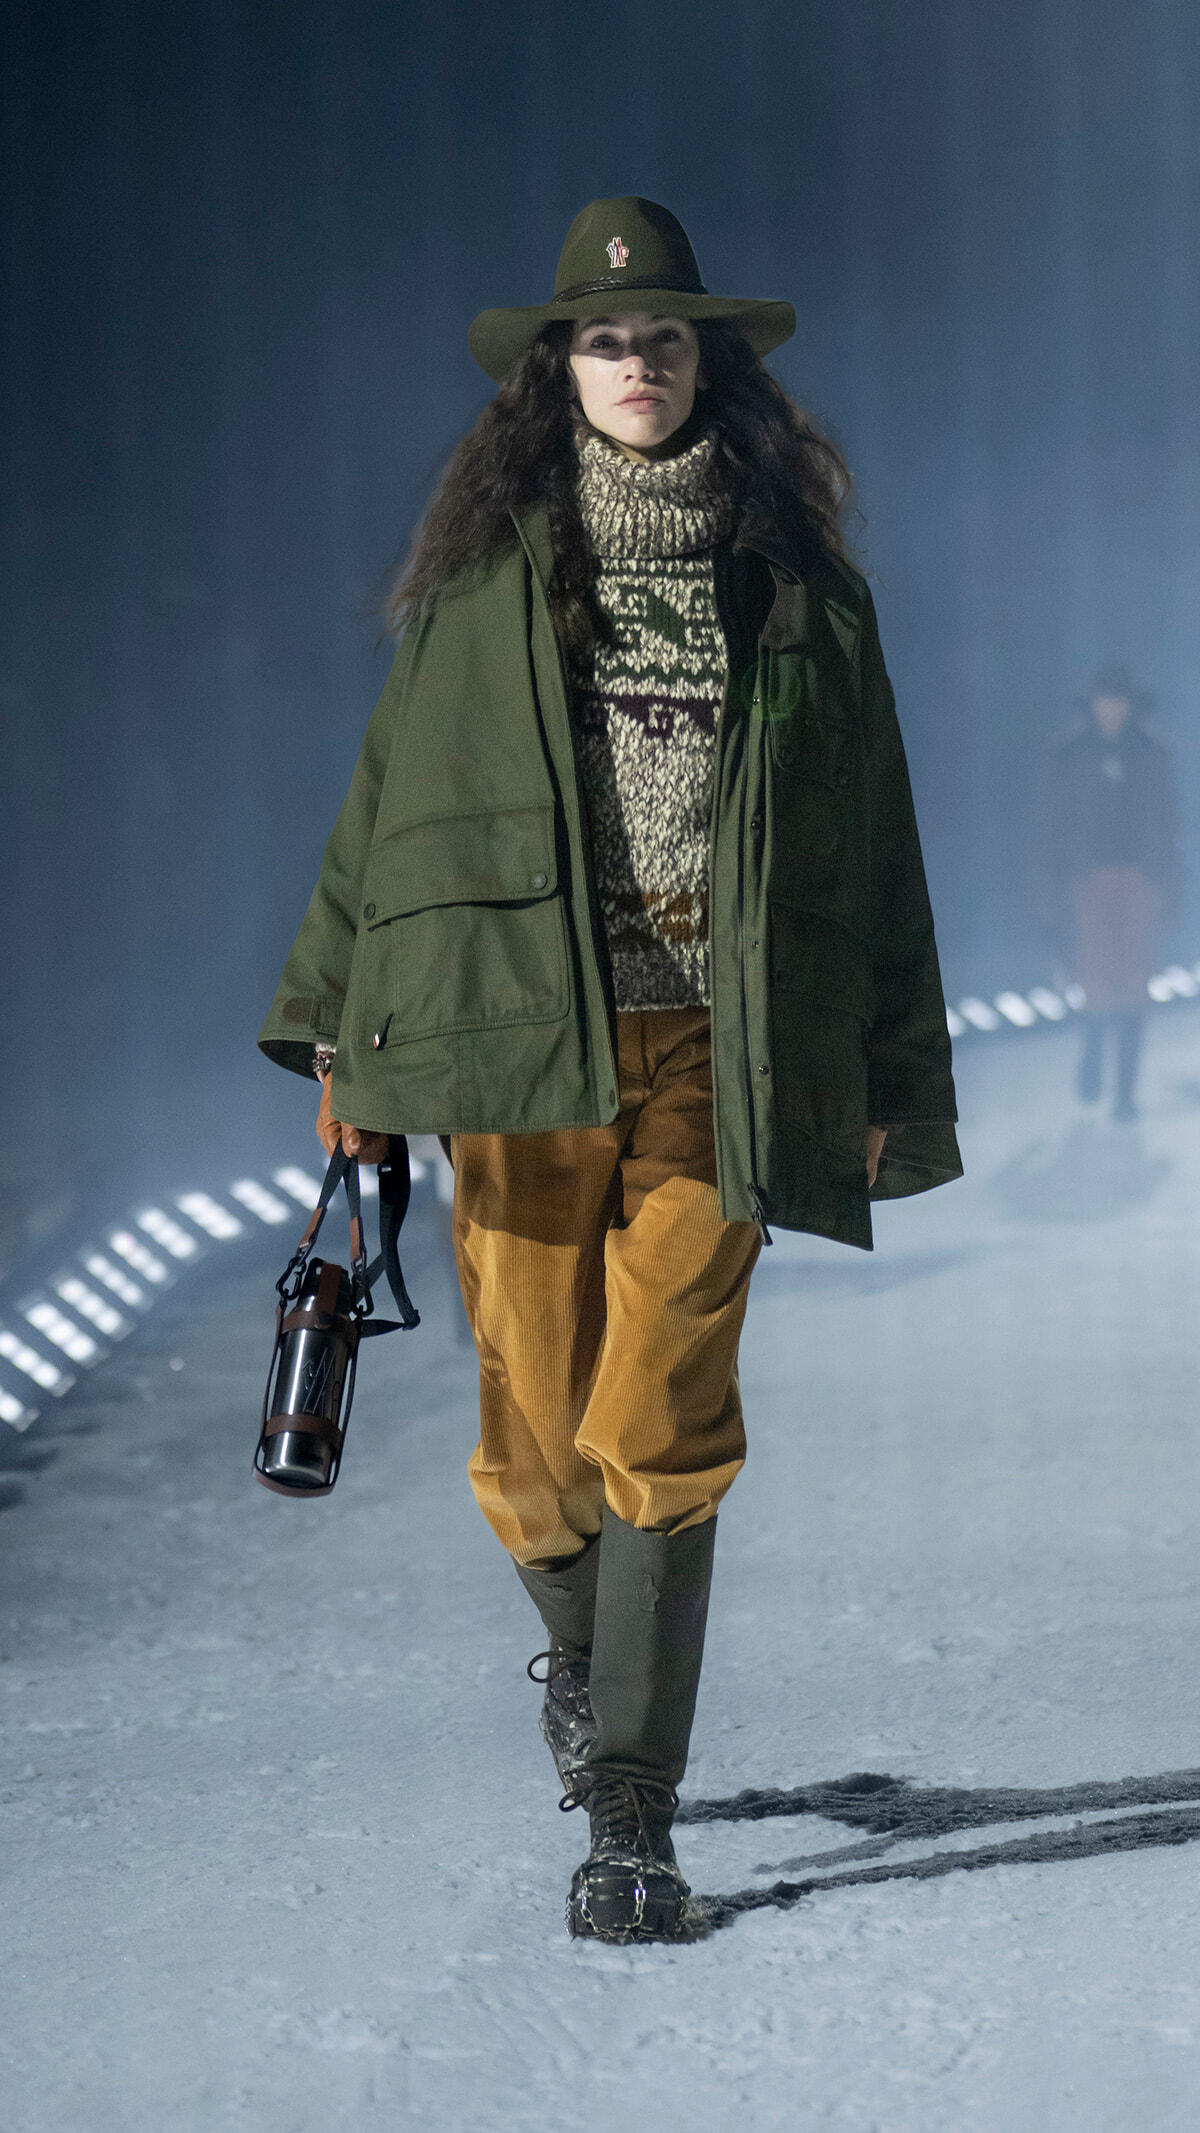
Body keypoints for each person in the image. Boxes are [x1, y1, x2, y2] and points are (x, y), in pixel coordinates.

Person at [258, 196, 962, 1943]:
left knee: (661, 1410)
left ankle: (630, 1803)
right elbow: (386, 815)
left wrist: (892, 1075)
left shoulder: (801, 592)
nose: (636, 363)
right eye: (603, 338)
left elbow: (877, 853)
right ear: (557, 370)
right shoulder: (484, 585)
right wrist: (342, 1024)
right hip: (519, 1031)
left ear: (706, 359)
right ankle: (586, 1661)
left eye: (661, 338)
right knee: (529, 1434)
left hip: (726, 1048)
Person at [1050, 660, 1181, 1121]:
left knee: (1135, 984)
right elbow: (1057, 827)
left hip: (1139, 881)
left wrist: (1166, 884)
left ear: (1129, 705)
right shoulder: (1073, 755)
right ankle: (1091, 1052)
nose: (1111, 708)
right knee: (1094, 979)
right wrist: (1057, 886)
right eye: (1104, 699)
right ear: (1093, 704)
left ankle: (1125, 1091)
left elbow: (1169, 825)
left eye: (1118, 699)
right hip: (1089, 882)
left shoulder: (1151, 754)